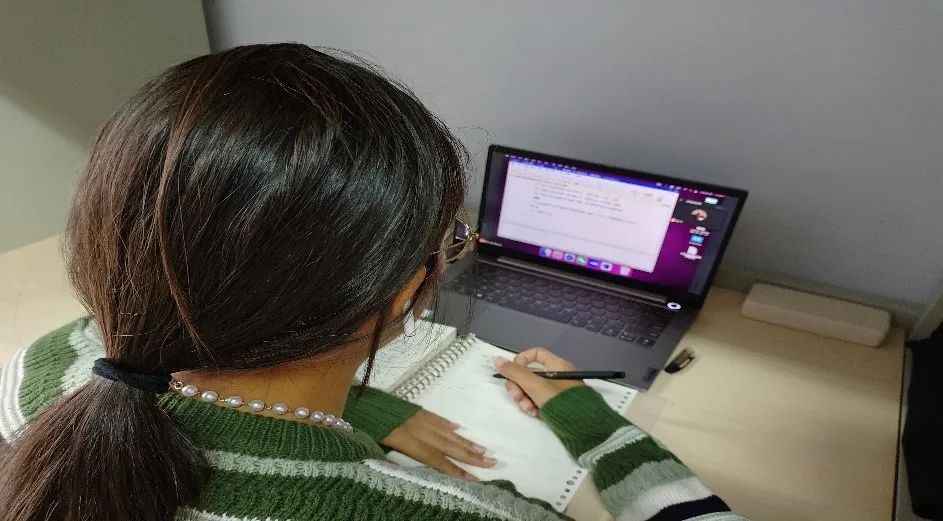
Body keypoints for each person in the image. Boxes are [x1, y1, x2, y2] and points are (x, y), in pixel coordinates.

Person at [0, 44, 745, 521]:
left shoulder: (46, 368)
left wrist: (357, 404)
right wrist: (595, 424)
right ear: (394, 293)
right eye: (449, 241)